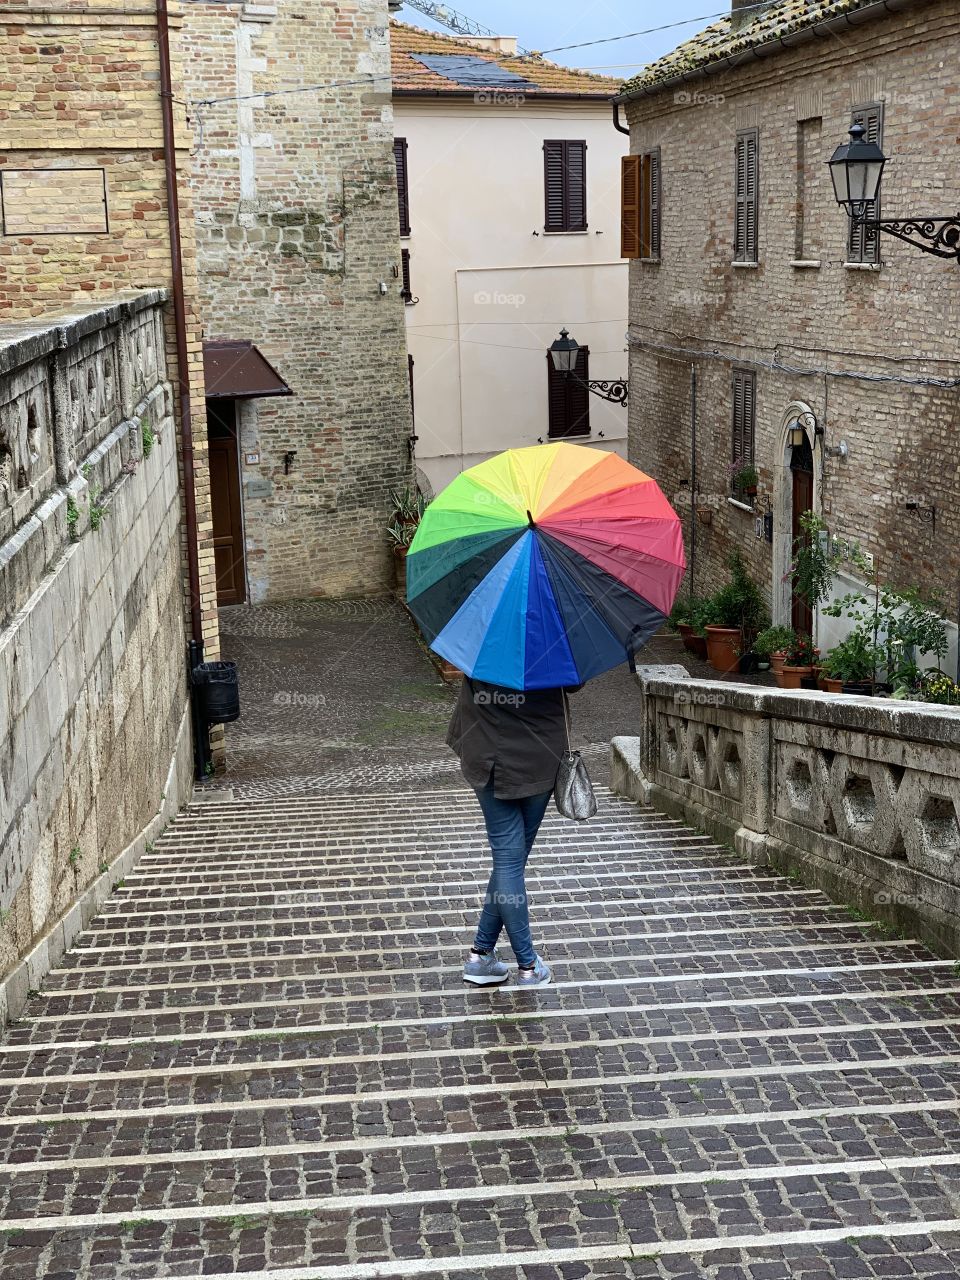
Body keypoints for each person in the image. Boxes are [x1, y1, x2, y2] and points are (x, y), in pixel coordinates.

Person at [447, 676, 570, 988]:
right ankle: (527, 966)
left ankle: (480, 956)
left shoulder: (482, 631)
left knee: (508, 862)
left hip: (488, 750)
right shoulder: (553, 635)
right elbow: (572, 682)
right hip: (538, 757)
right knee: (511, 862)